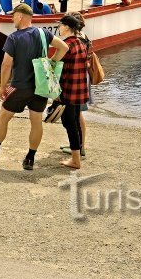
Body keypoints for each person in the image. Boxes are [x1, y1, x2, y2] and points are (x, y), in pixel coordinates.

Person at [0, 2, 68, 170]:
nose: (12, 20)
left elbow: (6, 65)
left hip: (19, 86)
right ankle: (30, 159)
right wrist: (51, 63)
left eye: (13, 16)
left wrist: (3, 86)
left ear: (20, 16)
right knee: (36, 120)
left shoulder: (14, 37)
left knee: (3, 117)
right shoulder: (43, 33)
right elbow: (64, 47)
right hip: (40, 86)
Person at [54, 14, 89, 169]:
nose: (58, 28)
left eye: (60, 25)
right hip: (79, 89)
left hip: (68, 90)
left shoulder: (66, 45)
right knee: (74, 122)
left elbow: (55, 67)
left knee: (70, 124)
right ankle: (78, 153)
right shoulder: (81, 43)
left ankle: (75, 160)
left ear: (67, 27)